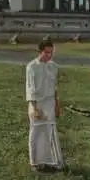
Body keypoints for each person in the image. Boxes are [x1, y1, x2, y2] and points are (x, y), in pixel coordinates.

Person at [25, 38, 64, 172]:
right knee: (36, 132)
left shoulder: (53, 66)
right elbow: (30, 89)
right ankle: (35, 162)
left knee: (50, 132)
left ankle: (51, 161)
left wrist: (57, 105)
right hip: (36, 103)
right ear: (40, 51)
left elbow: (55, 88)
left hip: (50, 103)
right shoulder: (31, 67)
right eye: (47, 53)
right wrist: (35, 108)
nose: (49, 55)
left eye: (51, 53)